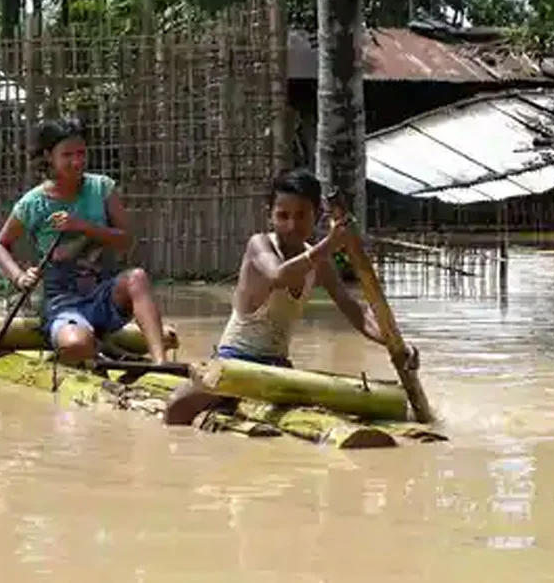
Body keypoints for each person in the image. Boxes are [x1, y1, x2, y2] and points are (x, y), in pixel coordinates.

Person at [164, 167, 417, 425]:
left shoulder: (319, 261)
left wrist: (394, 344)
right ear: (269, 216)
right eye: (283, 216)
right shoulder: (259, 245)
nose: (292, 225)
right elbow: (277, 276)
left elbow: (355, 311)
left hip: (278, 366)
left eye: (301, 216)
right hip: (234, 361)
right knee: (175, 408)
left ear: (317, 215)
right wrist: (330, 244)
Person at [0, 117, 171, 365]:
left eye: (81, 153)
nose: (77, 162)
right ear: (48, 156)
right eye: (67, 155)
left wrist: (83, 227)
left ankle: (160, 363)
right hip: (62, 304)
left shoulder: (102, 188)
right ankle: (93, 350)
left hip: (103, 295)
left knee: (137, 277)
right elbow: (0, 245)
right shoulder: (33, 203)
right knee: (76, 344)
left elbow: (126, 240)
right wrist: (20, 277)